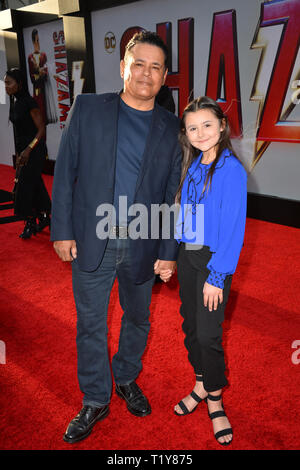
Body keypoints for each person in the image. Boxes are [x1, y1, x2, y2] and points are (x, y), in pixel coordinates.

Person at [51, 31, 181, 444]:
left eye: (155, 67)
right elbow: (66, 170)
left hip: (143, 240)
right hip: (93, 238)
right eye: (138, 64)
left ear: (163, 78)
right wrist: (62, 230)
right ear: (123, 67)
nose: (146, 73)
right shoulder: (88, 108)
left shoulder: (172, 127)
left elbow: (171, 195)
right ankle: (95, 398)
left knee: (138, 318)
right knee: (90, 325)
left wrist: (168, 252)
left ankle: (126, 378)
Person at [174, 96, 247, 446]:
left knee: (208, 335)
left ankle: (215, 400)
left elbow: (233, 228)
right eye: (192, 127)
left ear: (221, 126)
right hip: (187, 257)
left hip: (214, 261)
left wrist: (218, 275)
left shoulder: (231, 169)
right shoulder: (194, 164)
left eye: (206, 125)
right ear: (185, 134)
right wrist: (172, 254)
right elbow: (184, 215)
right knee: (190, 325)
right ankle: (201, 381)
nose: (200, 132)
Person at [4, 68, 51, 239]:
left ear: (20, 84)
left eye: (9, 82)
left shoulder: (29, 102)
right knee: (35, 185)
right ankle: (45, 217)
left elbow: (41, 129)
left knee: (25, 189)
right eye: (5, 82)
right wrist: (19, 154)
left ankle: (30, 222)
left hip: (35, 151)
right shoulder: (15, 102)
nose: (6, 86)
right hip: (24, 153)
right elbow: (19, 133)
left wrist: (28, 150)